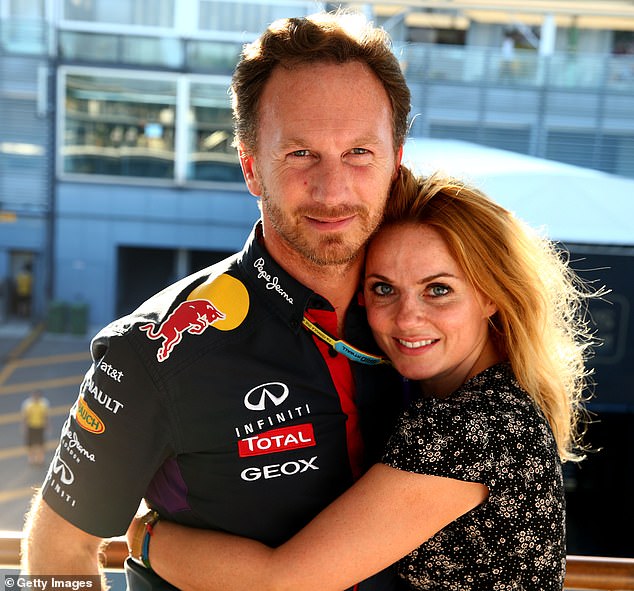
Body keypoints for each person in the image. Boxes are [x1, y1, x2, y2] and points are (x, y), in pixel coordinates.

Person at [21, 10, 410, 591]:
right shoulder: (156, 348)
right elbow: (59, 547)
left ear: (395, 161)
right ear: (251, 167)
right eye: (300, 154)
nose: (333, 190)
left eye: (359, 152)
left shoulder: (433, 324)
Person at [125, 167, 597, 590]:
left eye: (438, 290)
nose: (407, 318)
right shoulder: (497, 399)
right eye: (383, 289)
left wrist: (145, 539)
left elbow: (281, 583)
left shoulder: (470, 427)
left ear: (493, 295)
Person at [22, 390, 50, 466]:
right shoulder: (28, 404)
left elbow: (45, 416)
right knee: (30, 443)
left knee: (41, 443)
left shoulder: (43, 404)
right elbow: (26, 416)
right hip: (31, 426)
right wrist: (24, 427)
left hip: (40, 426)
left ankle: (40, 458)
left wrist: (47, 425)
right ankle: (31, 459)